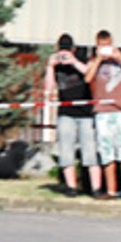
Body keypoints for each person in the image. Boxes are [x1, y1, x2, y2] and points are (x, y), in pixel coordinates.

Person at [41, 33, 101, 197]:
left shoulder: (81, 58)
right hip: (66, 113)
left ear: (73, 49)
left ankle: (95, 188)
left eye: (67, 49)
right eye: (62, 49)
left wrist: (74, 62)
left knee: (90, 151)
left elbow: (89, 75)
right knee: (66, 151)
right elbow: (49, 89)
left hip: (86, 113)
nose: (64, 53)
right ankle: (71, 187)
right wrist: (50, 66)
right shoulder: (56, 64)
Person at [87, 30, 121, 199]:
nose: (105, 49)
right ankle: (111, 190)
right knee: (107, 153)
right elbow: (88, 78)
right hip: (103, 112)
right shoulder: (94, 62)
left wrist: (119, 57)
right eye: (102, 46)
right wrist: (98, 59)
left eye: (107, 45)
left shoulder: (120, 61)